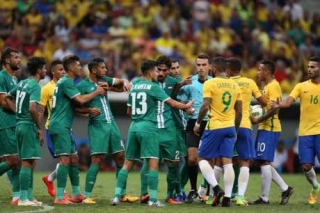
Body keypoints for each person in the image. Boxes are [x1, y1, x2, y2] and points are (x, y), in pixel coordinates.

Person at [111, 60, 194, 207]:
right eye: (156, 71)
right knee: (153, 164)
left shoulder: (135, 86)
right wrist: (186, 107)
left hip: (133, 127)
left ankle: (117, 196)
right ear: (150, 72)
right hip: (149, 128)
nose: (158, 73)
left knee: (127, 164)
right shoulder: (154, 87)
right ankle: (153, 199)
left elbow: (128, 111)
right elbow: (173, 103)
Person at [76, 58, 138, 204]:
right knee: (97, 159)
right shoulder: (82, 86)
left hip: (112, 124)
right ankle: (87, 196)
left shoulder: (103, 80)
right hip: (97, 125)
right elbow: (76, 107)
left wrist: (109, 86)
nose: (105, 70)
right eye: (102, 68)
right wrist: (89, 111)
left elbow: (121, 83)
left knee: (120, 157)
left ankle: (122, 194)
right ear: (93, 70)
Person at [48, 55, 105, 205]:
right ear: (71, 68)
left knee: (74, 158)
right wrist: (97, 92)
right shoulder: (67, 81)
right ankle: (60, 197)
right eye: (78, 65)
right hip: (59, 125)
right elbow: (80, 100)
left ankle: (77, 194)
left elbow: (74, 107)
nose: (81, 68)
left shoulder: (66, 82)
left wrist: (88, 110)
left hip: (64, 125)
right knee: (64, 160)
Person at [139, 56, 191, 204]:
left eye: (164, 70)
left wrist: (188, 108)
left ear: (168, 71)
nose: (161, 73)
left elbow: (179, 100)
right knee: (147, 162)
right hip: (151, 128)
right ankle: (144, 194)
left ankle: (170, 195)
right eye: (159, 69)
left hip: (169, 129)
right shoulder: (147, 81)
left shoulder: (174, 83)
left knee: (174, 163)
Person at [194, 57, 242, 207]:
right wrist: (235, 130)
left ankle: (215, 187)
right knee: (227, 162)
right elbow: (239, 112)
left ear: (213, 69)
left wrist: (197, 122)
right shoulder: (235, 85)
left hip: (214, 126)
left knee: (201, 158)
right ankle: (227, 198)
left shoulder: (210, 83)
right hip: (229, 127)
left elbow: (205, 106)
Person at [273, 56, 320, 205]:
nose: (309, 69)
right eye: (308, 67)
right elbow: (288, 102)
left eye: (313, 67)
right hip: (305, 133)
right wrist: (278, 104)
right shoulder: (301, 86)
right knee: (306, 166)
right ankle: (315, 186)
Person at [251, 59, 294, 205]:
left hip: (270, 127)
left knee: (264, 161)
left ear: (266, 71)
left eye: (259, 70)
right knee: (262, 161)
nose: (257, 72)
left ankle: (264, 198)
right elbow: (267, 106)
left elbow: (275, 108)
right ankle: (285, 188)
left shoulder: (274, 86)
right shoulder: (267, 86)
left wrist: (259, 118)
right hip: (265, 127)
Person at [226, 57, 267, 206]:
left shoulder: (227, 83)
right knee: (244, 162)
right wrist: (253, 110)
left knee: (224, 161)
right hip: (244, 125)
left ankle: (224, 195)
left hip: (226, 125)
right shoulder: (249, 82)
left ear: (229, 70)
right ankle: (240, 197)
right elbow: (263, 103)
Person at [6, 56, 47, 206]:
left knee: (31, 161)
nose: (45, 71)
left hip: (19, 125)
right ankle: (23, 199)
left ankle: (29, 196)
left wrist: (17, 111)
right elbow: (31, 108)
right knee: (27, 162)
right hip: (28, 125)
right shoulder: (36, 86)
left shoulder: (22, 83)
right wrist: (38, 127)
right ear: (38, 70)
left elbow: (8, 97)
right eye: (43, 68)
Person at [177, 54, 212, 203]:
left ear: (209, 66)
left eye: (204, 65)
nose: (201, 68)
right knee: (192, 159)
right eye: (199, 65)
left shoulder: (214, 82)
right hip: (192, 123)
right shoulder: (189, 83)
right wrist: (187, 109)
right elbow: (183, 102)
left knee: (210, 160)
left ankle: (208, 191)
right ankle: (192, 190)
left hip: (210, 123)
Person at [39, 60, 66, 198]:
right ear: (53, 72)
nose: (63, 72)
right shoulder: (46, 88)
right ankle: (63, 193)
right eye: (60, 69)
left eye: (64, 69)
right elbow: (40, 110)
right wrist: (39, 129)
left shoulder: (67, 86)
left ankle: (49, 179)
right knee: (64, 159)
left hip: (67, 128)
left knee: (72, 159)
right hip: (53, 128)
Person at [0, 47, 21, 205]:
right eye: (15, 57)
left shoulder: (14, 79)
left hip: (13, 122)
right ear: (7, 60)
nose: (19, 60)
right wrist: (20, 112)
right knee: (14, 161)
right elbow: (3, 102)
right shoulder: (1, 77)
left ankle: (17, 196)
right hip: (5, 122)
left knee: (15, 160)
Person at [168, 59, 189, 201]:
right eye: (172, 68)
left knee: (190, 160)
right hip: (173, 126)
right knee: (175, 161)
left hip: (185, 126)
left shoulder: (183, 82)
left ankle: (180, 189)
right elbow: (170, 98)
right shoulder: (167, 83)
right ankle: (176, 191)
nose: (176, 71)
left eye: (177, 68)